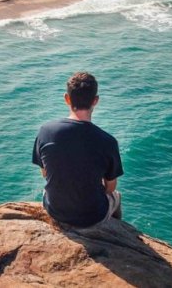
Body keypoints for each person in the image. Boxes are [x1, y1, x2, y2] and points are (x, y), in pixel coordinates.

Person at [32, 72, 123, 227]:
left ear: (67, 99)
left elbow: (45, 173)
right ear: (95, 101)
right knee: (116, 196)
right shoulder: (107, 141)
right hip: (93, 217)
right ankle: (117, 230)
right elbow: (110, 187)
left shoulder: (45, 131)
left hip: (55, 210)